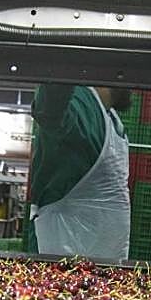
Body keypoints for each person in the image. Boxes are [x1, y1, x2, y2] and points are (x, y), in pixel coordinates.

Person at [27, 83, 132, 259]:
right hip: (62, 262)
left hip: (105, 266)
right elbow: (49, 112)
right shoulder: (80, 106)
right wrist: (67, 64)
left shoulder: (110, 117)